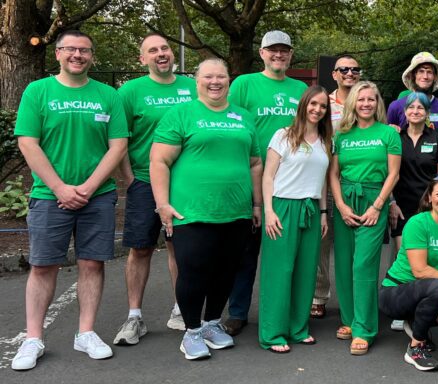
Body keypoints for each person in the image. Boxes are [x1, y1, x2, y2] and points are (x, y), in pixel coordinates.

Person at [12, 30, 128, 370]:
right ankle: (33, 338)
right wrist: (60, 187)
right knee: (43, 265)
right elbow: (28, 143)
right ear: (58, 54)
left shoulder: (109, 95)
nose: (78, 55)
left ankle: (86, 333)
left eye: (85, 50)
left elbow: (118, 145)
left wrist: (89, 187)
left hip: (99, 197)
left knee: (92, 263)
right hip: (50, 196)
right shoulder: (38, 91)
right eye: (71, 49)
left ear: (92, 55)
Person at [150, 58, 262, 360]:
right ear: (197, 81)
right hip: (192, 211)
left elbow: (254, 162)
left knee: (226, 272)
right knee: (194, 271)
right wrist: (163, 205)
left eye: (221, 77)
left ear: (229, 81)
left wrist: (256, 204)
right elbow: (159, 161)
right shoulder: (181, 114)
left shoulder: (244, 116)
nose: (215, 82)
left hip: (236, 211)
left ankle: (212, 323)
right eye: (208, 77)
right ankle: (191, 331)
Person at [113, 33, 196, 345]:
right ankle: (134, 316)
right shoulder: (130, 91)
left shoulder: (192, 87)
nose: (161, 54)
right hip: (145, 182)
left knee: (181, 246)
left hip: (186, 182)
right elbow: (118, 138)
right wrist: (129, 178)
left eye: (164, 48)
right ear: (142, 59)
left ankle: (181, 310)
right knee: (141, 248)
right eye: (153, 50)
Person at [224, 30, 308, 335]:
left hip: (292, 184)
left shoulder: (300, 88)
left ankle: (284, 313)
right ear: (261, 53)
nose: (279, 55)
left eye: (284, 50)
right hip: (252, 177)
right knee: (246, 250)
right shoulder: (245, 84)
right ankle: (237, 312)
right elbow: (229, 120)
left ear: (290, 54)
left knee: (285, 255)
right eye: (273, 50)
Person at [258, 86, 333, 353]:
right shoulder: (283, 135)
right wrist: (268, 210)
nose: (317, 109)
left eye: (323, 106)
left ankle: (298, 328)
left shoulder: (325, 141)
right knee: (280, 271)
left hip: (311, 209)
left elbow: (323, 182)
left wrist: (324, 213)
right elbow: (268, 176)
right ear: (303, 105)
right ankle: (273, 332)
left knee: (305, 271)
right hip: (283, 207)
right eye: (313, 104)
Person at [329, 81, 401, 355]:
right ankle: (349, 319)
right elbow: (333, 174)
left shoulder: (388, 134)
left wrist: (378, 206)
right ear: (353, 104)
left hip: (374, 199)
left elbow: (393, 174)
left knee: (363, 265)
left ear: (377, 103)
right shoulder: (342, 135)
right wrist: (340, 205)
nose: (366, 104)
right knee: (345, 264)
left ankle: (364, 329)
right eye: (361, 100)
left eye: (371, 99)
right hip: (346, 199)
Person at [379, 176, 438, 371]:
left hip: (431, 289)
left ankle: (417, 324)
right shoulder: (418, 223)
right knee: (437, 285)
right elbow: (420, 270)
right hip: (395, 293)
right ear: (430, 198)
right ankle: (415, 348)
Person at [387, 91, 438, 331]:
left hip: (430, 208)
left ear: (427, 113)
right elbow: (390, 174)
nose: (415, 111)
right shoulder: (394, 137)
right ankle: (402, 308)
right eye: (411, 107)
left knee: (429, 259)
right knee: (403, 260)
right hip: (401, 207)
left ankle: (423, 308)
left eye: (421, 108)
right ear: (404, 112)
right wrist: (391, 202)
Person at [312, 54, 362, 320]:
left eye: (355, 69)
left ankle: (351, 297)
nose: (350, 73)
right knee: (322, 242)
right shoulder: (323, 103)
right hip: (323, 181)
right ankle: (319, 296)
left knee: (350, 246)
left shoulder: (366, 102)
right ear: (334, 74)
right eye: (344, 69)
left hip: (355, 183)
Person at [386, 52, 438, 129]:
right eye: (421, 71)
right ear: (413, 75)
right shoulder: (396, 107)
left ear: (435, 77)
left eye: (429, 72)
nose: (425, 76)